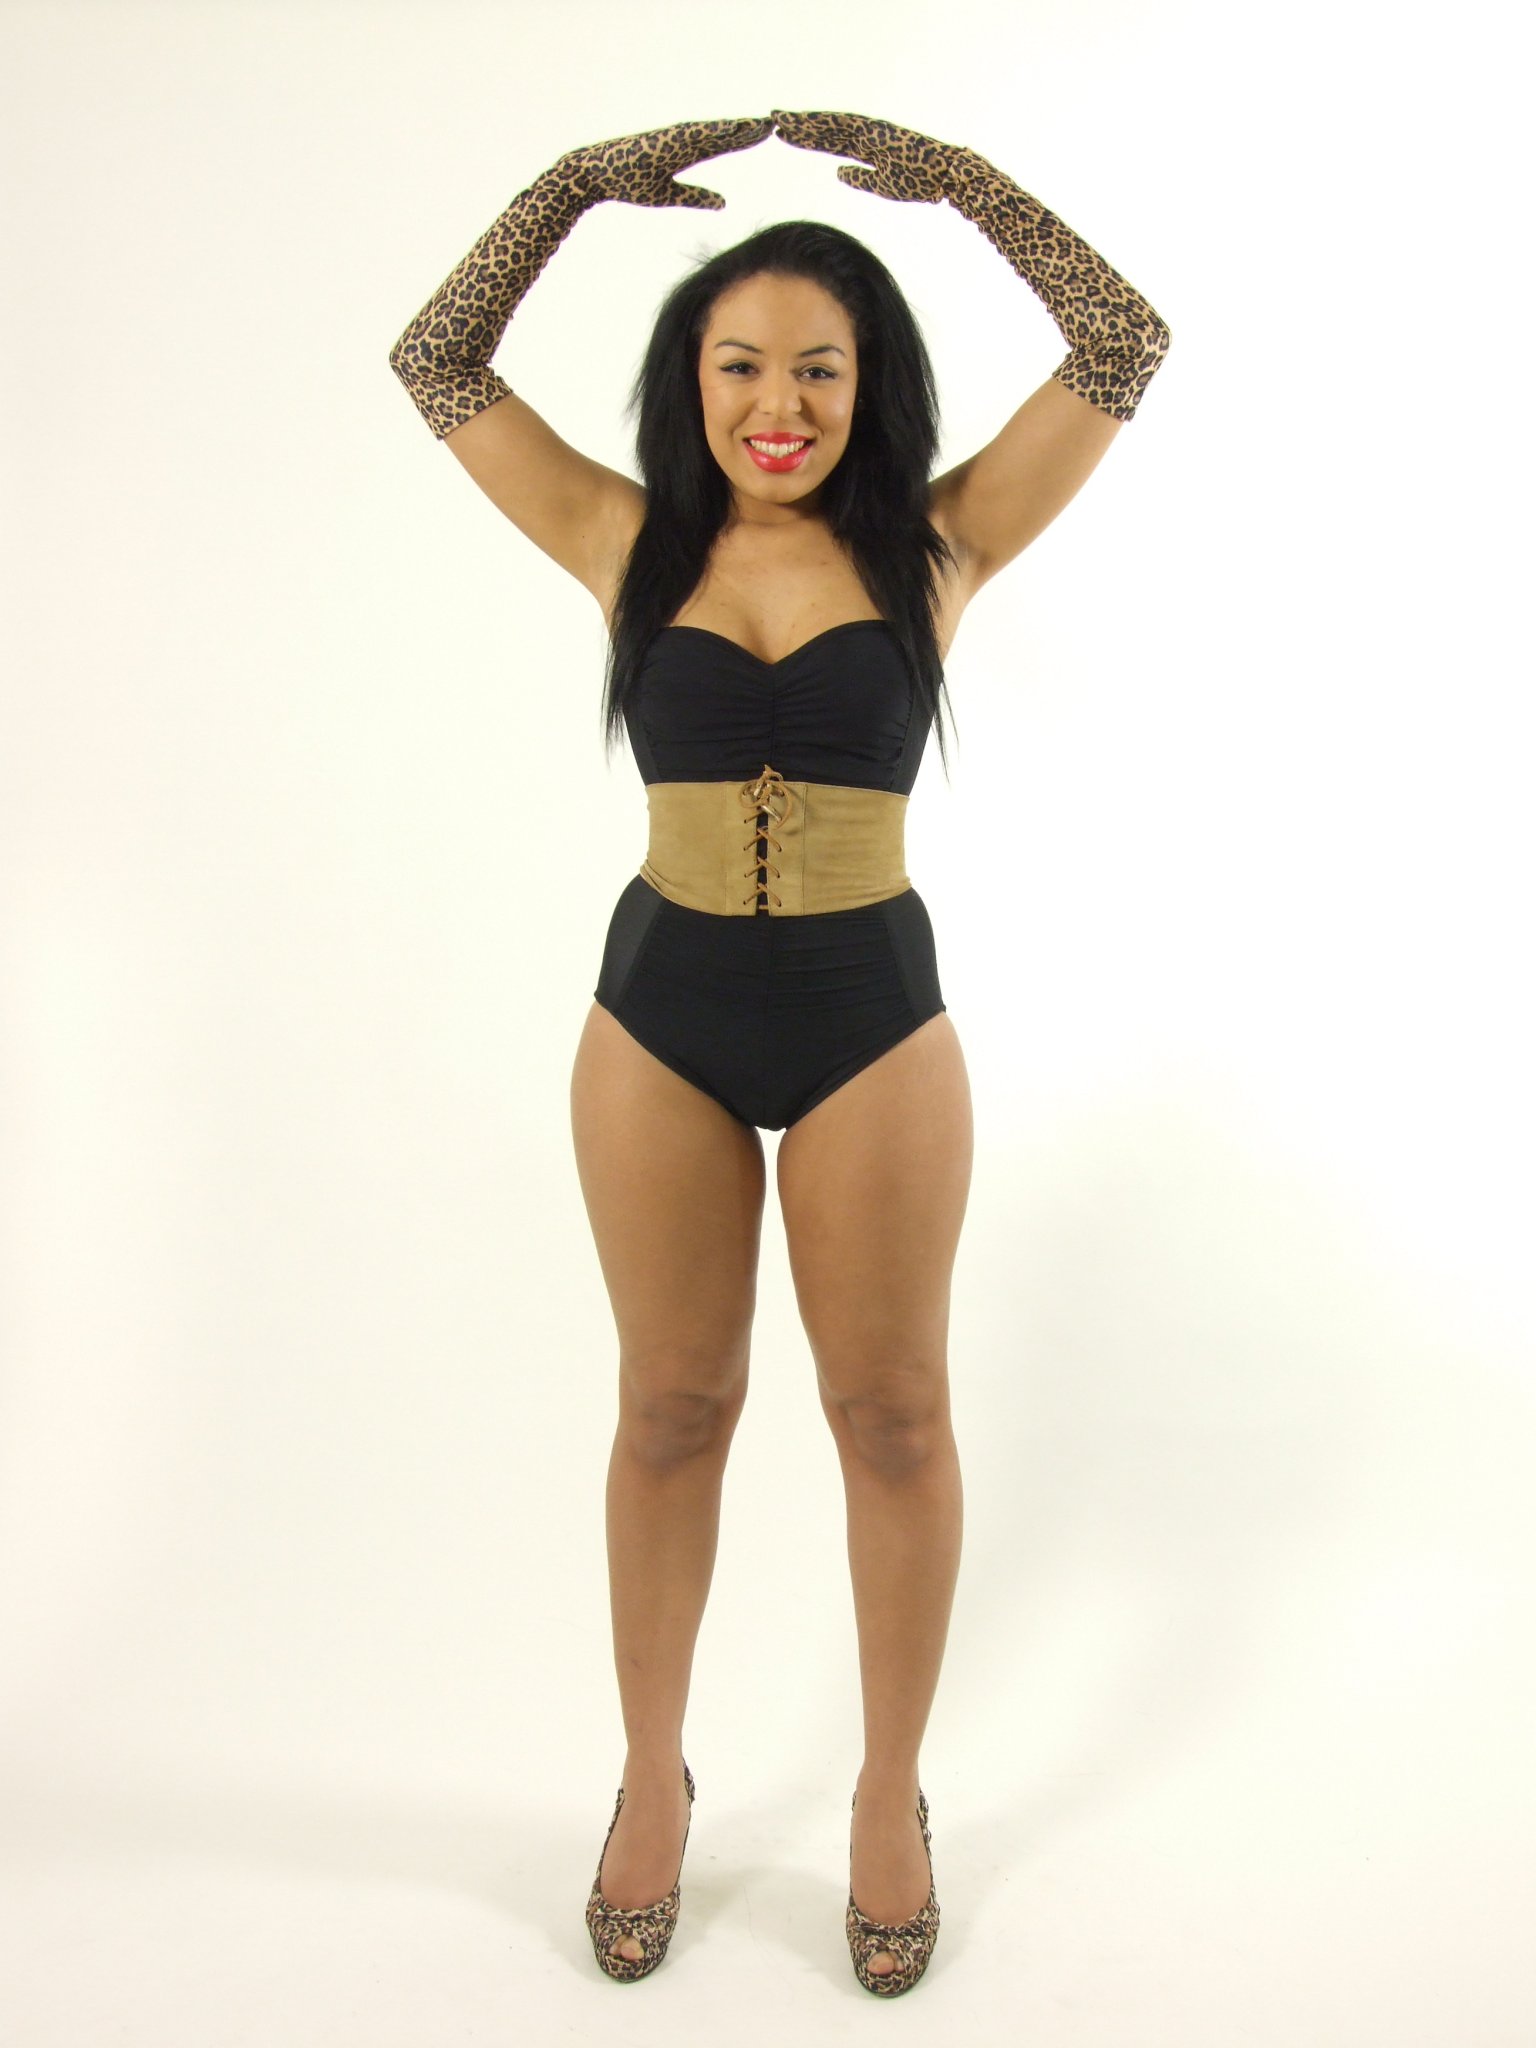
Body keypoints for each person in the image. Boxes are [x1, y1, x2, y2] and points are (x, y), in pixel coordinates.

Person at [388, 108, 1169, 1997]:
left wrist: (956, 180)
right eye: (740, 365)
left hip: (866, 1018)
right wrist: (572, 187)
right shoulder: (622, 538)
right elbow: (437, 358)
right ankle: (652, 1779)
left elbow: (1122, 342)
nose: (779, 404)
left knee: (890, 1414)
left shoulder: (940, 544)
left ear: (867, 385)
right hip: (657, 1012)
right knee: (672, 1406)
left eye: (820, 367)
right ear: (694, 383)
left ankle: (890, 1794)